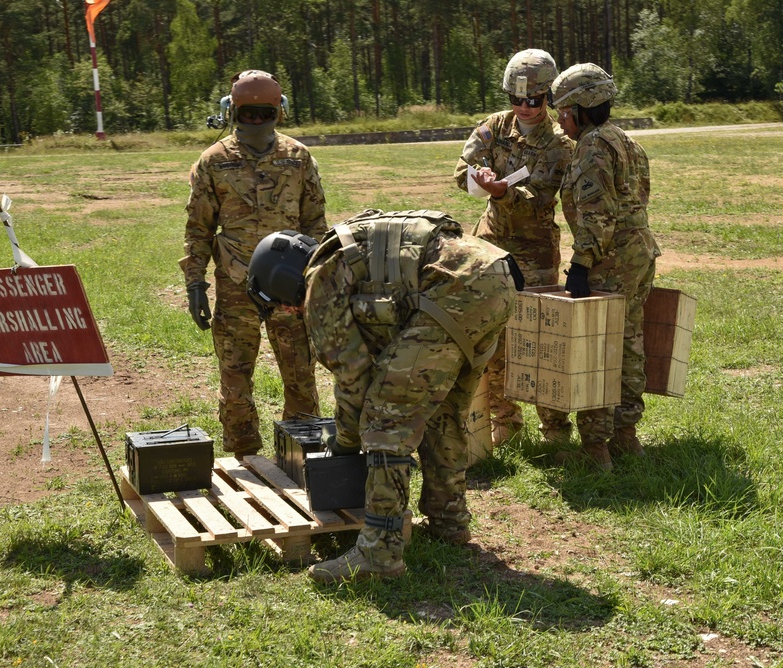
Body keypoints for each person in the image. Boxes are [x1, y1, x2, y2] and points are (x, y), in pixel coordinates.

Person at [246, 210, 518, 582]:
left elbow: (354, 379)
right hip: (494, 274)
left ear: (281, 282)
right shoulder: (346, 253)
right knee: (441, 412)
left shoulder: (320, 281)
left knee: (385, 421)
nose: (290, 312)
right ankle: (448, 522)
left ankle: (379, 554)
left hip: (454, 289)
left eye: (281, 305)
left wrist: (344, 442)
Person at [181, 69, 327, 458]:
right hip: (235, 283)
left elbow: (315, 223)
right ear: (232, 112)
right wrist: (195, 283)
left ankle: (303, 452)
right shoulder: (214, 162)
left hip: (290, 287)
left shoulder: (297, 157)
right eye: (250, 114)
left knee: (300, 375)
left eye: (266, 114)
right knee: (235, 376)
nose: (258, 122)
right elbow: (198, 228)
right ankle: (245, 454)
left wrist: (317, 281)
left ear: (280, 111)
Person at [453, 48, 575, 447]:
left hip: (535, 251)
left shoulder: (560, 143)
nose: (524, 107)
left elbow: (541, 199)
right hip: (489, 245)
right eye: (516, 99)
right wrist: (479, 178)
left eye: (534, 100)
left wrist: (503, 192)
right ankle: (505, 424)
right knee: (491, 337)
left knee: (540, 340)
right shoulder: (494, 127)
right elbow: (462, 169)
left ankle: (555, 429)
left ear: (548, 98)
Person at [551, 63, 661, 470]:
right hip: (638, 253)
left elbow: (597, 213)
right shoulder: (625, 140)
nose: (560, 121)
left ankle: (596, 449)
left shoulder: (593, 145)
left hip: (609, 260)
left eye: (564, 112)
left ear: (582, 109)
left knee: (597, 349)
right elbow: (640, 198)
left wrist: (580, 265)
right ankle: (626, 435)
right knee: (629, 342)